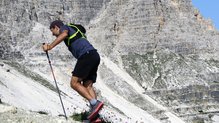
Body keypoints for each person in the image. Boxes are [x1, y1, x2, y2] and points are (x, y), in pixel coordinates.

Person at [42, 20, 104, 121]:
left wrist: (49, 46)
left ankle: (94, 103)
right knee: (88, 85)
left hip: (86, 55)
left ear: (56, 27)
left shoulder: (65, 28)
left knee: (74, 83)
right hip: (94, 55)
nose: (53, 34)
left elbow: (64, 34)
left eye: (52, 31)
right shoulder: (75, 29)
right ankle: (96, 118)